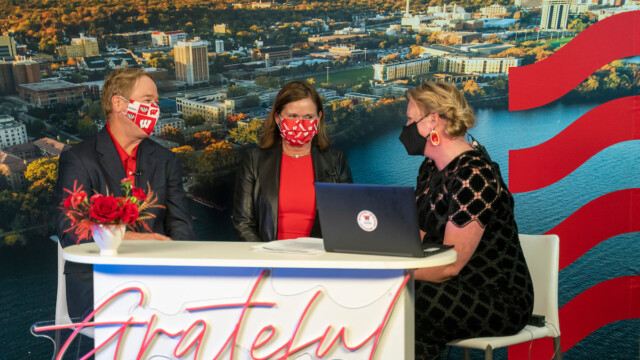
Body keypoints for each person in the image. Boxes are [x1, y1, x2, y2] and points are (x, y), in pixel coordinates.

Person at [398, 82, 534, 359]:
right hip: (450, 287)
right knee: (399, 299)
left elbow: (450, 265)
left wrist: (390, 276)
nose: (406, 127)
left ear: (432, 121)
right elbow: (418, 237)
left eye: (411, 120)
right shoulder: (429, 170)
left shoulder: (475, 175)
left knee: (405, 299)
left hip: (495, 298)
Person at [55, 68, 195, 322]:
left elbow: (181, 227)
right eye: (147, 101)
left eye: (156, 102)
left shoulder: (166, 160)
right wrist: (135, 241)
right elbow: (71, 231)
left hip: (159, 280)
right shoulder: (78, 159)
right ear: (118, 103)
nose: (156, 109)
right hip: (98, 284)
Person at [233, 81, 353, 241]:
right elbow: (243, 222)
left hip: (318, 260)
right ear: (277, 118)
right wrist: (266, 259)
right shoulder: (253, 160)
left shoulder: (337, 161)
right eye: (292, 116)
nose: (300, 124)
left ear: (318, 118)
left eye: (308, 117)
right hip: (269, 259)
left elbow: (347, 218)